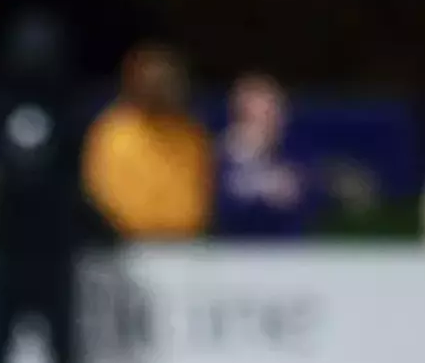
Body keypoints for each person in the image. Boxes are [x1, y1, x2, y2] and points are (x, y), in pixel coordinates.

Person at [0, 10, 108, 363]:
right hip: (9, 248)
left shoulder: (69, 106)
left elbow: (77, 167)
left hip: (53, 249)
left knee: (64, 352)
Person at [83, 42, 213, 240]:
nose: (163, 89)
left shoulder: (192, 133)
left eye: (170, 82)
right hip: (126, 245)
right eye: (155, 82)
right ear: (135, 83)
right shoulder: (112, 132)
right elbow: (100, 196)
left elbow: (203, 194)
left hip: (186, 243)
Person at [214, 73, 313, 238]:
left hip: (285, 248)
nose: (264, 125)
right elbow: (224, 207)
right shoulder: (215, 158)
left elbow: (307, 200)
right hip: (234, 248)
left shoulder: (297, 156)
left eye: (272, 113)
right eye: (251, 117)